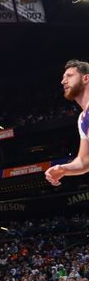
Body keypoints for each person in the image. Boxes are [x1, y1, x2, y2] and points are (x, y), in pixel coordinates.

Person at [46, 59, 89, 187]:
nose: (63, 81)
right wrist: (65, 169)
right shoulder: (82, 118)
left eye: (69, 76)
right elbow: (84, 160)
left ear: (86, 78)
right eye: (63, 77)